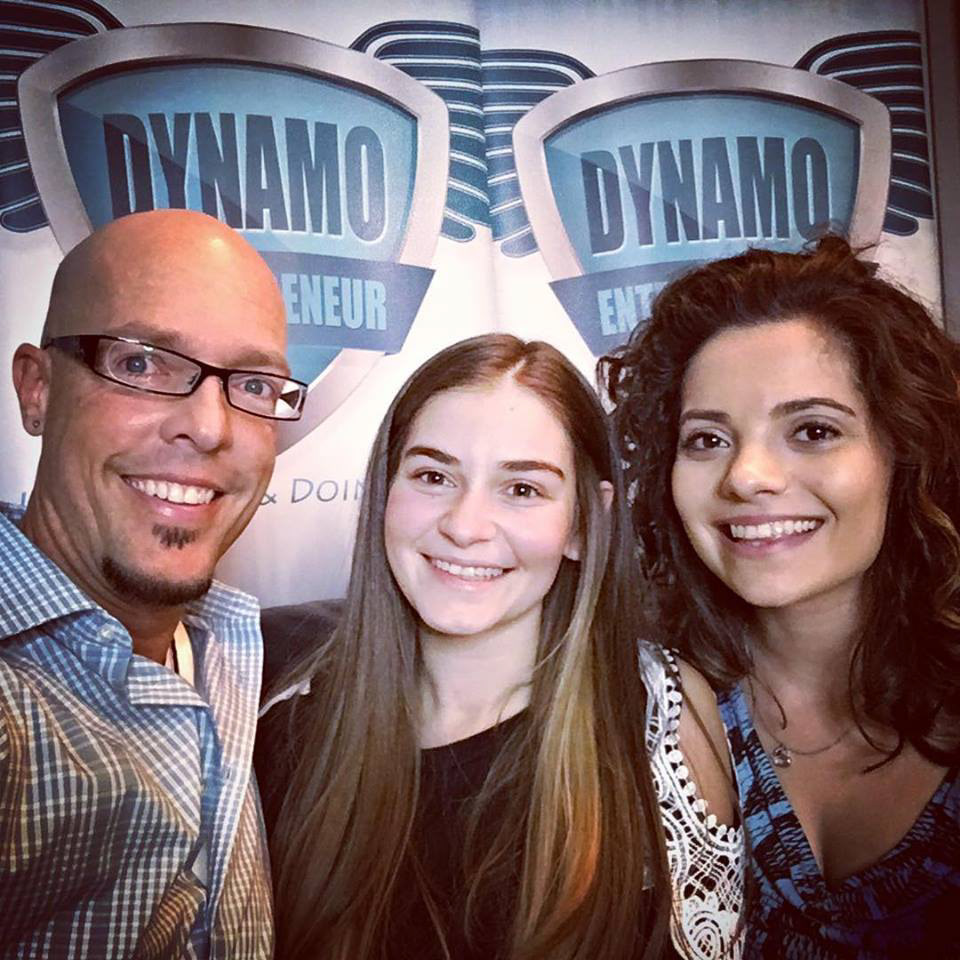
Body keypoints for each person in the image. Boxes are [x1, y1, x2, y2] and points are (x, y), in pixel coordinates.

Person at [255, 334, 743, 960]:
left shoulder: (661, 716)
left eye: (522, 489)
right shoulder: (284, 730)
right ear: (385, 493)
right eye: (434, 476)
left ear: (585, 523)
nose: (465, 526)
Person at [601, 236, 960, 958]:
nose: (748, 476)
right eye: (707, 440)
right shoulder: (632, 706)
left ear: (906, 452)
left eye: (814, 431)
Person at [0, 210, 306, 958]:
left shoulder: (239, 650)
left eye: (253, 384)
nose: (209, 427)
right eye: (142, 364)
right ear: (37, 390)